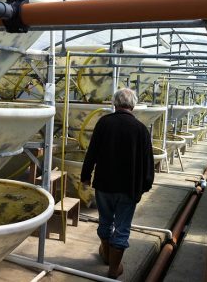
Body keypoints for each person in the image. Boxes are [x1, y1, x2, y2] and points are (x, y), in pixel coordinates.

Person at [80, 88, 154, 279]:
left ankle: (106, 254)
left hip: (104, 184)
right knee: (122, 228)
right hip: (129, 188)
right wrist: (145, 185)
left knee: (105, 221)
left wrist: (85, 175)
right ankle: (113, 269)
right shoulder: (141, 129)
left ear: (114, 103)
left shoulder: (104, 123)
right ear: (133, 105)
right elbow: (148, 162)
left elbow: (92, 152)